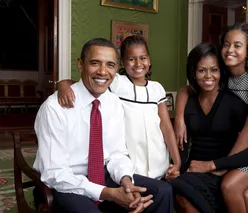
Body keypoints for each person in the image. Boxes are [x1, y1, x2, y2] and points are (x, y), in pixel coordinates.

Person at [33, 38, 174, 213]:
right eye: (94, 63)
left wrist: (126, 182)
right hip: (65, 183)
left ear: (116, 68)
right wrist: (110, 194)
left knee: (163, 191)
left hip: (103, 174)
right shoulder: (55, 107)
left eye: (110, 65)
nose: (102, 72)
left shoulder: (113, 102)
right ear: (80, 64)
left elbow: (117, 154)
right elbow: (55, 174)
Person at [174, 23, 248, 213]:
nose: (230, 50)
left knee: (230, 185)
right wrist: (180, 118)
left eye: (237, 45)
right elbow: (186, 90)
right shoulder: (224, 76)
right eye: (226, 44)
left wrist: (223, 165)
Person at [58, 35, 181, 181]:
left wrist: (177, 161)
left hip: (158, 157)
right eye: (131, 59)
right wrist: (62, 84)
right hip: (130, 160)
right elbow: (85, 83)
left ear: (149, 60)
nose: (138, 63)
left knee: (159, 193)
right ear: (121, 62)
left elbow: (166, 126)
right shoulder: (116, 82)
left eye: (143, 58)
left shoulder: (157, 89)